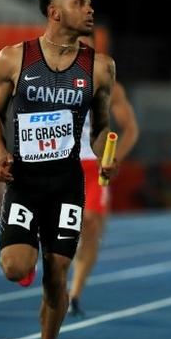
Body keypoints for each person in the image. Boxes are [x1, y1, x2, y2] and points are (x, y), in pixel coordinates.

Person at [0, 0, 116, 339]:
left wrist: (105, 153)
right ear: (54, 11)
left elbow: (103, 127)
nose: (90, 9)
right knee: (15, 268)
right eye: (81, 3)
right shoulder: (13, 58)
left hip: (66, 182)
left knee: (57, 274)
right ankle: (25, 263)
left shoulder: (100, 67)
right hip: (24, 180)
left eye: (91, 3)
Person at [68, 80, 139, 318]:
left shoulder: (110, 86)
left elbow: (130, 128)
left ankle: (74, 294)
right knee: (64, 230)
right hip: (61, 163)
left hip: (93, 164)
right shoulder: (49, 81)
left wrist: (114, 158)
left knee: (91, 224)